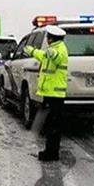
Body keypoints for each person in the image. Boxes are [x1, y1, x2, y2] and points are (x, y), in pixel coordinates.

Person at [25, 25, 68, 161]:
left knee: (54, 126)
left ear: (52, 39)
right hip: (50, 94)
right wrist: (32, 51)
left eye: (48, 37)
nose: (47, 40)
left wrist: (49, 52)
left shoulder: (60, 49)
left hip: (56, 95)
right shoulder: (53, 49)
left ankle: (52, 154)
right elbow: (43, 56)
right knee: (50, 125)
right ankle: (49, 151)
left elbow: (56, 57)